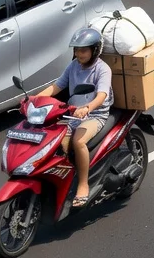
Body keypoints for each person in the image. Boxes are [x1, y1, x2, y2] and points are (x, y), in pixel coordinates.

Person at [33, 28, 113, 208]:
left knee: (78, 142)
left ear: (95, 50)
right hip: (72, 115)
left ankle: (83, 185)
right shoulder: (73, 66)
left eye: (83, 50)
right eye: (76, 50)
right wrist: (34, 100)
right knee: (55, 141)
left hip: (95, 115)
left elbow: (101, 95)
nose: (79, 54)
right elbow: (56, 87)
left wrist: (87, 107)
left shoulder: (103, 69)